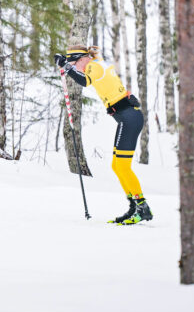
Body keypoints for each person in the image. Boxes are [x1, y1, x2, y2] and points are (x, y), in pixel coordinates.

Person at [55, 44, 153, 225]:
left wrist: (65, 67)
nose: (75, 67)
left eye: (75, 63)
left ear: (82, 58)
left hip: (129, 118)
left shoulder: (93, 66)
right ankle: (134, 206)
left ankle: (142, 207)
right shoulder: (94, 64)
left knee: (122, 166)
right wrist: (67, 65)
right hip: (127, 117)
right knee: (117, 165)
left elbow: (84, 81)